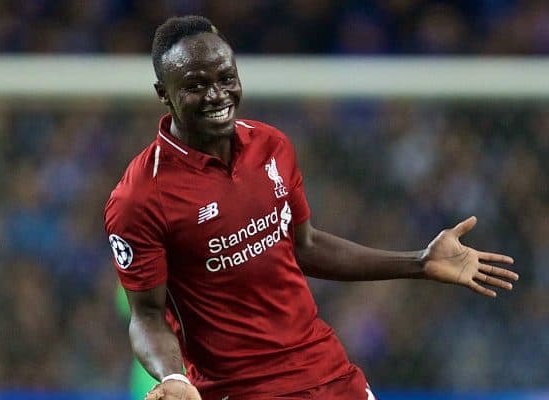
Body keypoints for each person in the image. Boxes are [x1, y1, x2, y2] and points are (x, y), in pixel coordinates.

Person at [104, 15, 518, 400]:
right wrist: (173, 377)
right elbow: (146, 316)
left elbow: (305, 246)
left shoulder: (272, 145)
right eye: (195, 85)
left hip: (330, 374)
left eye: (226, 78)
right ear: (164, 94)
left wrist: (419, 262)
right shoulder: (140, 197)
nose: (217, 94)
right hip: (240, 390)